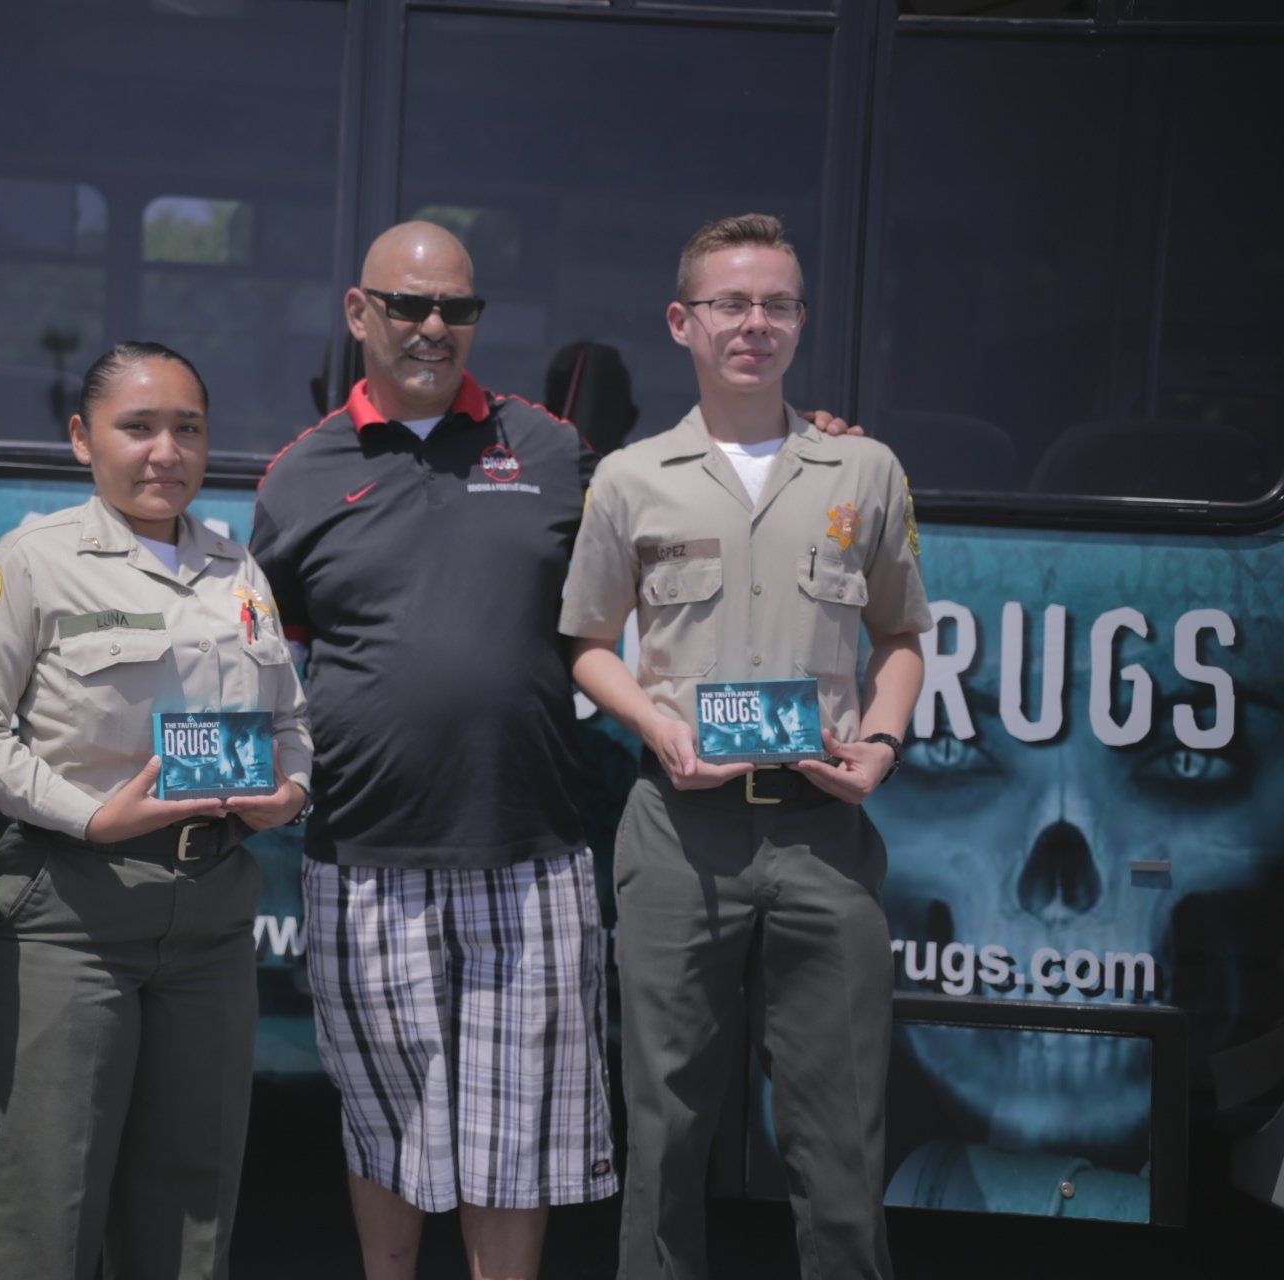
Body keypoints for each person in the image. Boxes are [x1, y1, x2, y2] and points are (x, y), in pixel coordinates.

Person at [559, 213, 931, 1280]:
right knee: (664, 1133)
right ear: (684, 322)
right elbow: (586, 641)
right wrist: (656, 723)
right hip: (680, 831)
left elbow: (903, 635)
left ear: (800, 323)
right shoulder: (633, 478)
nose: (753, 325)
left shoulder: (863, 470)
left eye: (776, 305)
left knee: (842, 1137)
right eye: (731, 303)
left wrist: (884, 744)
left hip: (825, 833)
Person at [249, 221, 616, 1280]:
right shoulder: (301, 473)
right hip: (363, 857)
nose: (432, 327)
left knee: (517, 1150)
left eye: (456, 307)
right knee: (387, 1128)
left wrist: (801, 439)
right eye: (408, 305)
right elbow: (266, 657)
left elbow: (667, 539)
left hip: (530, 851)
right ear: (360, 314)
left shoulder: (550, 449)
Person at [0, 341, 312, 1280]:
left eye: (186, 428)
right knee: (46, 1202)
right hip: (74, 911)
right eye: (137, 427)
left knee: (190, 1205)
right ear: (82, 439)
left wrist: (290, 791)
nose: (165, 451)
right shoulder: (30, 563)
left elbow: (289, 722)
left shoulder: (238, 571)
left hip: (211, 912)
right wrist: (92, 818)